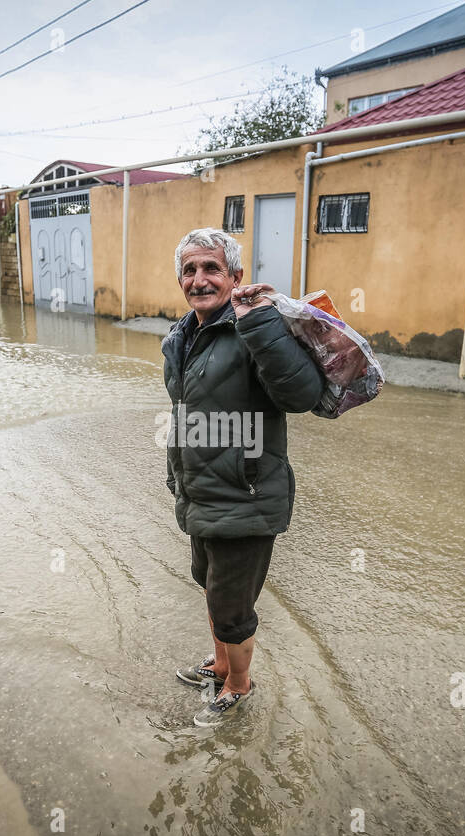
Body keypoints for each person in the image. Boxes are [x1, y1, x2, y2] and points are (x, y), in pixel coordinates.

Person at [161, 227, 323, 728]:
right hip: (200, 491)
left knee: (233, 609)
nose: (199, 279)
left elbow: (303, 395)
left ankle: (238, 685)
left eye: (211, 268)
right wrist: (177, 476)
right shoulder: (182, 336)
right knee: (210, 586)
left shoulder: (254, 327)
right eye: (189, 270)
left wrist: (262, 324)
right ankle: (222, 664)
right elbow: (185, 414)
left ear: (235, 277)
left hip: (246, 496)